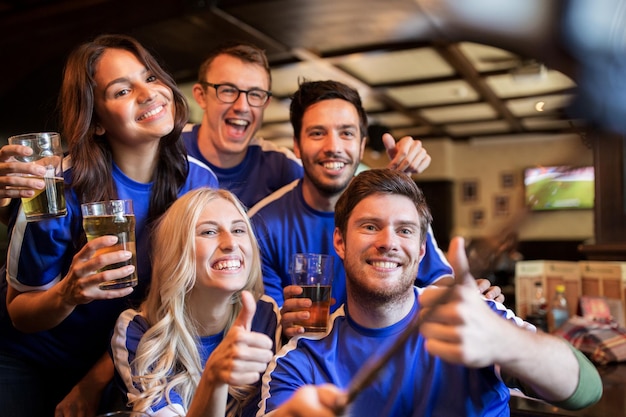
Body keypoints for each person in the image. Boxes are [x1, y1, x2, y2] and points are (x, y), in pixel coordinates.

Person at [258, 168, 602, 416]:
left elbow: (585, 390)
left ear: (422, 250)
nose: (388, 242)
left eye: (404, 230)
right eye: (369, 226)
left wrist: (507, 341)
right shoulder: (299, 362)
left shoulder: (472, 320)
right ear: (339, 242)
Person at [0, 34, 219, 417]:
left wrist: (93, 381)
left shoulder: (198, 183)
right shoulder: (56, 190)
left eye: (150, 77)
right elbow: (20, 312)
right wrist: (69, 292)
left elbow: (170, 303)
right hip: (28, 360)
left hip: (122, 356)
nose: (148, 93)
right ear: (96, 121)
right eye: (121, 90)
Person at [248, 80, 500, 337]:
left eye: (346, 133)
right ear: (297, 145)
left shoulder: (394, 209)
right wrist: (284, 325)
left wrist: (473, 293)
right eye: (317, 133)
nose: (333, 147)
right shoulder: (261, 225)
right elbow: (268, 322)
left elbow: (438, 282)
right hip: (314, 364)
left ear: (361, 145)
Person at [111, 188, 279, 417]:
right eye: (209, 232)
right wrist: (214, 377)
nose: (230, 243)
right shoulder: (138, 330)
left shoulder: (266, 314)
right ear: (176, 251)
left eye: (239, 230)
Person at [183, 42, 303, 209]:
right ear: (201, 96)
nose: (242, 107)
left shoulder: (284, 168)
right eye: (228, 90)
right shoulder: (165, 150)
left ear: (266, 103)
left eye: (255, 94)